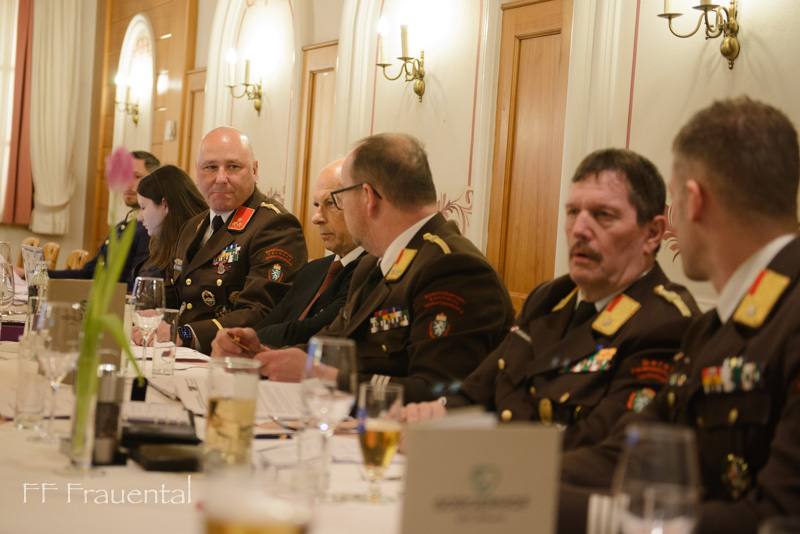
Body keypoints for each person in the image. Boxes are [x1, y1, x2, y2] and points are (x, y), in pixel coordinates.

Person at [558, 98, 800, 533]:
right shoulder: (712, 328)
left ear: (694, 200)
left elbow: (779, 519)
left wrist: (563, 511)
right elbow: (633, 451)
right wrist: (513, 485)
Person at [404, 148, 699, 449]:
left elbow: (614, 452)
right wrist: (432, 416)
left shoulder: (663, 323)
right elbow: (474, 393)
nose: (580, 229)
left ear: (652, 234)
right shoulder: (550, 298)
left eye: (603, 215)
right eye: (573, 212)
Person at [213, 133, 515, 403]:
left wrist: (317, 375)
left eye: (340, 198)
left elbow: (438, 395)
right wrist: (262, 355)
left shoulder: (452, 268)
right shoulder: (373, 262)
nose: (322, 215)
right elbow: (337, 344)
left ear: (368, 198)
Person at [164, 126, 307, 353]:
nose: (221, 178)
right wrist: (151, 317)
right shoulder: (192, 227)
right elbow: (171, 295)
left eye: (233, 167)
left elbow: (261, 311)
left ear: (254, 171)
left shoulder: (274, 225)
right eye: (210, 167)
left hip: (230, 359)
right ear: (197, 172)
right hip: (179, 355)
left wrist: (184, 334)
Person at [211, 159, 366, 349]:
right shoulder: (313, 270)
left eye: (331, 203)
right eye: (317, 205)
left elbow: (313, 330)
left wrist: (247, 341)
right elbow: (272, 321)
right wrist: (238, 341)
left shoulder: (369, 269)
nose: (316, 218)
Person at [33, 150, 158, 289]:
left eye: (137, 176)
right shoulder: (121, 226)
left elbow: (133, 287)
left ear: (153, 182)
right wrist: (36, 274)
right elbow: (86, 274)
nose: (128, 183)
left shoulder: (149, 230)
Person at [132, 165, 208, 280]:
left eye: (143, 208)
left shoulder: (193, 248)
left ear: (165, 205)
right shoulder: (161, 244)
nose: (139, 218)